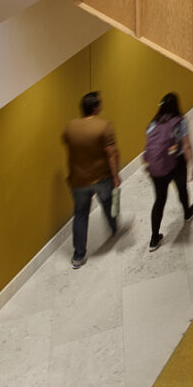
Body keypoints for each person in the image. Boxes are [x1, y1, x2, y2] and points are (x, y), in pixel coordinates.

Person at [62, 90, 125, 268]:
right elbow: (112, 154)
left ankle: (78, 255)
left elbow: (70, 148)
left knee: (80, 215)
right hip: (101, 178)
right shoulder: (104, 126)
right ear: (96, 108)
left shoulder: (70, 127)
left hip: (78, 181)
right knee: (108, 204)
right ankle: (114, 229)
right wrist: (115, 175)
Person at [144, 91, 193, 251]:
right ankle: (187, 212)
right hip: (176, 162)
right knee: (182, 188)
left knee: (159, 200)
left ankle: (154, 238)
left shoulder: (153, 123)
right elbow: (186, 145)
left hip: (156, 168)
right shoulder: (179, 121)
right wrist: (192, 166)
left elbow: (149, 148)